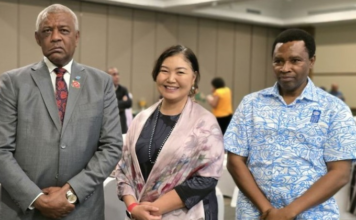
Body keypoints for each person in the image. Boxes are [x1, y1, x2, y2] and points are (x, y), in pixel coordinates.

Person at [0, 4, 122, 220]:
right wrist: (36, 198)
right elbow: (1, 150)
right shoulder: (11, 83)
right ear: (37, 38)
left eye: (64, 30)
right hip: (24, 210)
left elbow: (111, 147)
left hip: (82, 209)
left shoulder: (100, 83)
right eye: (47, 31)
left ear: (76, 37)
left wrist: (71, 192)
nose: (55, 37)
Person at [224, 28, 356, 220]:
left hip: (313, 215)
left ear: (311, 61)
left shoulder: (334, 109)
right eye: (278, 61)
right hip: (255, 214)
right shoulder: (251, 104)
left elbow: (340, 173)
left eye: (295, 60)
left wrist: (289, 212)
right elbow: (235, 161)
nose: (285, 68)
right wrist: (267, 210)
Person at [116, 45, 224, 220]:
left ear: (193, 77)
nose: (171, 79)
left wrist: (152, 210)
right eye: (164, 71)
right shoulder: (141, 119)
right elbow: (123, 168)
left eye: (180, 72)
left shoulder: (205, 123)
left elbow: (207, 178)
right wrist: (134, 207)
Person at [107, 67, 132, 133]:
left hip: (121, 123)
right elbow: (107, 104)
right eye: (114, 74)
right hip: (109, 124)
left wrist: (114, 103)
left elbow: (129, 103)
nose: (117, 77)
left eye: (118, 74)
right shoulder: (105, 90)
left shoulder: (123, 89)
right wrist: (122, 102)